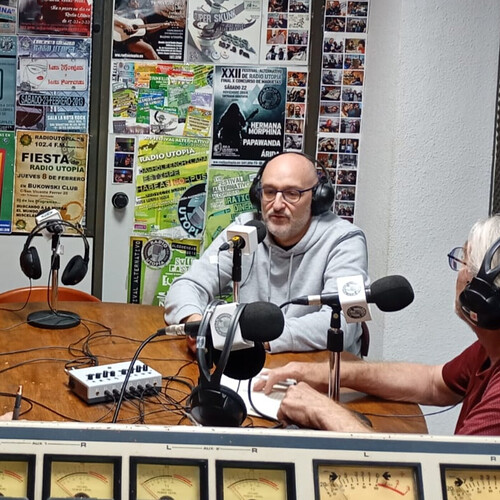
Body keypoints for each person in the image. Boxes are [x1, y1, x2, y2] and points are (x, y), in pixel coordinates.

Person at [255, 214, 500, 435]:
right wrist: (323, 373)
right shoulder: (489, 347)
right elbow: (432, 382)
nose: (457, 273)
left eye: (463, 262)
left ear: (481, 291)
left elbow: (433, 471)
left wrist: (324, 411)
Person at [164, 152, 368, 354]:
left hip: (320, 367)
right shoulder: (246, 229)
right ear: (257, 194)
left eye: (292, 193)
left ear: (318, 197)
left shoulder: (346, 240)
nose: (277, 205)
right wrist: (196, 323)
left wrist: (253, 338)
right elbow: (188, 284)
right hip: (252, 362)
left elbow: (346, 322)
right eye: (269, 192)